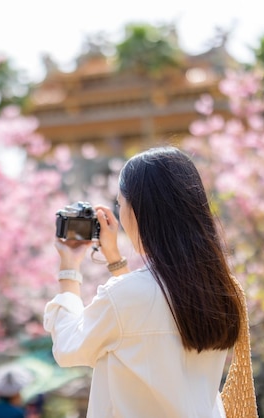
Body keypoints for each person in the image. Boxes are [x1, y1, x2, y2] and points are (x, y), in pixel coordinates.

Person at [43, 146, 244, 417]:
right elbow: (147, 316)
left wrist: (69, 267)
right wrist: (114, 259)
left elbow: (69, 347)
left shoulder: (127, 297)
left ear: (138, 211)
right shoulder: (221, 289)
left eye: (120, 203)